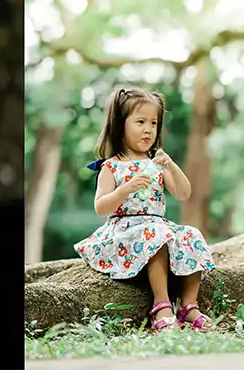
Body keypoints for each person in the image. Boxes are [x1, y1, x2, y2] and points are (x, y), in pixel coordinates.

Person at [75, 87, 216, 332]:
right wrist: (124, 190)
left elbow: (183, 193)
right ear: (120, 125)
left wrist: (171, 166)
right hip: (125, 229)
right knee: (156, 235)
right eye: (140, 122)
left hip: (157, 226)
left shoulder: (156, 163)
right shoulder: (111, 166)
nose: (148, 129)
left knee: (192, 234)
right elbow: (100, 207)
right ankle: (161, 305)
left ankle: (189, 306)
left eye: (153, 123)